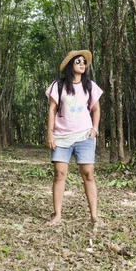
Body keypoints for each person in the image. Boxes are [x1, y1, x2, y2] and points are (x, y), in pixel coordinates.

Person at [45, 50, 103, 227]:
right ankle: (57, 215)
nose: (82, 64)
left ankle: (94, 216)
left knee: (88, 174)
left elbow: (96, 109)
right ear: (71, 65)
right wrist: (49, 132)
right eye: (78, 61)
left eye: (84, 61)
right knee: (60, 174)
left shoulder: (90, 85)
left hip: (84, 136)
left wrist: (95, 128)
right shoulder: (58, 85)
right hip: (61, 136)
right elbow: (52, 109)